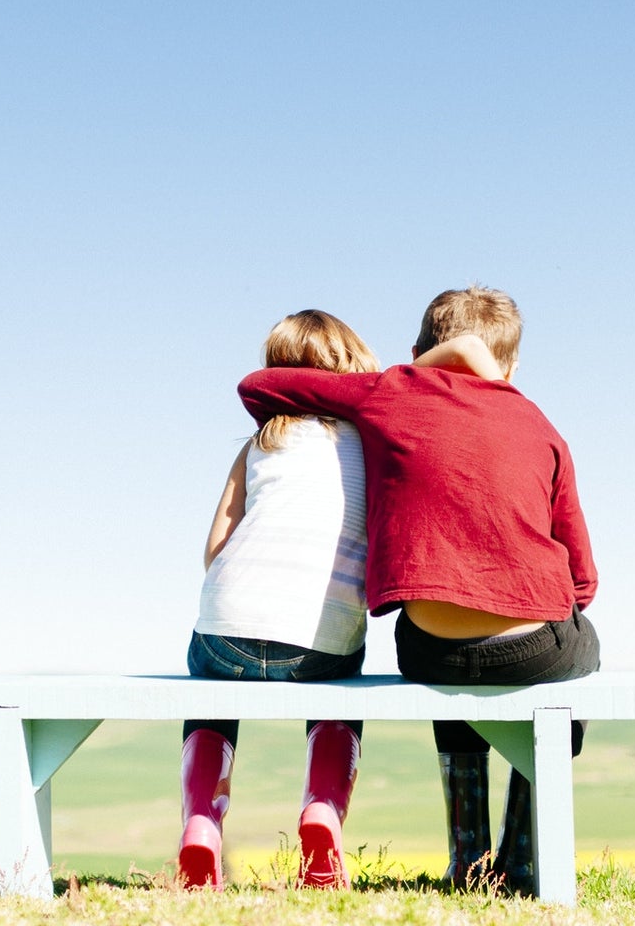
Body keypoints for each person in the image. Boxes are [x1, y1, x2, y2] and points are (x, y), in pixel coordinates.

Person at [236, 286, 600, 893]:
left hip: (429, 648)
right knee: (577, 668)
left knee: (455, 663)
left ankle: (468, 856)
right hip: (533, 644)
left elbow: (257, 385)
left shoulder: (390, 392)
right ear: (512, 367)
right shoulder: (541, 425)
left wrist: (405, 374)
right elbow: (583, 580)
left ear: (414, 352)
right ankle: (525, 858)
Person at [180, 310, 494, 889]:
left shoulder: (260, 442)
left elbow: (215, 547)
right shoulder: (378, 446)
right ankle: (322, 812)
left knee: (210, 696)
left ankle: (201, 824)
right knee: (339, 690)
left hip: (226, 633)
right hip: (320, 644)